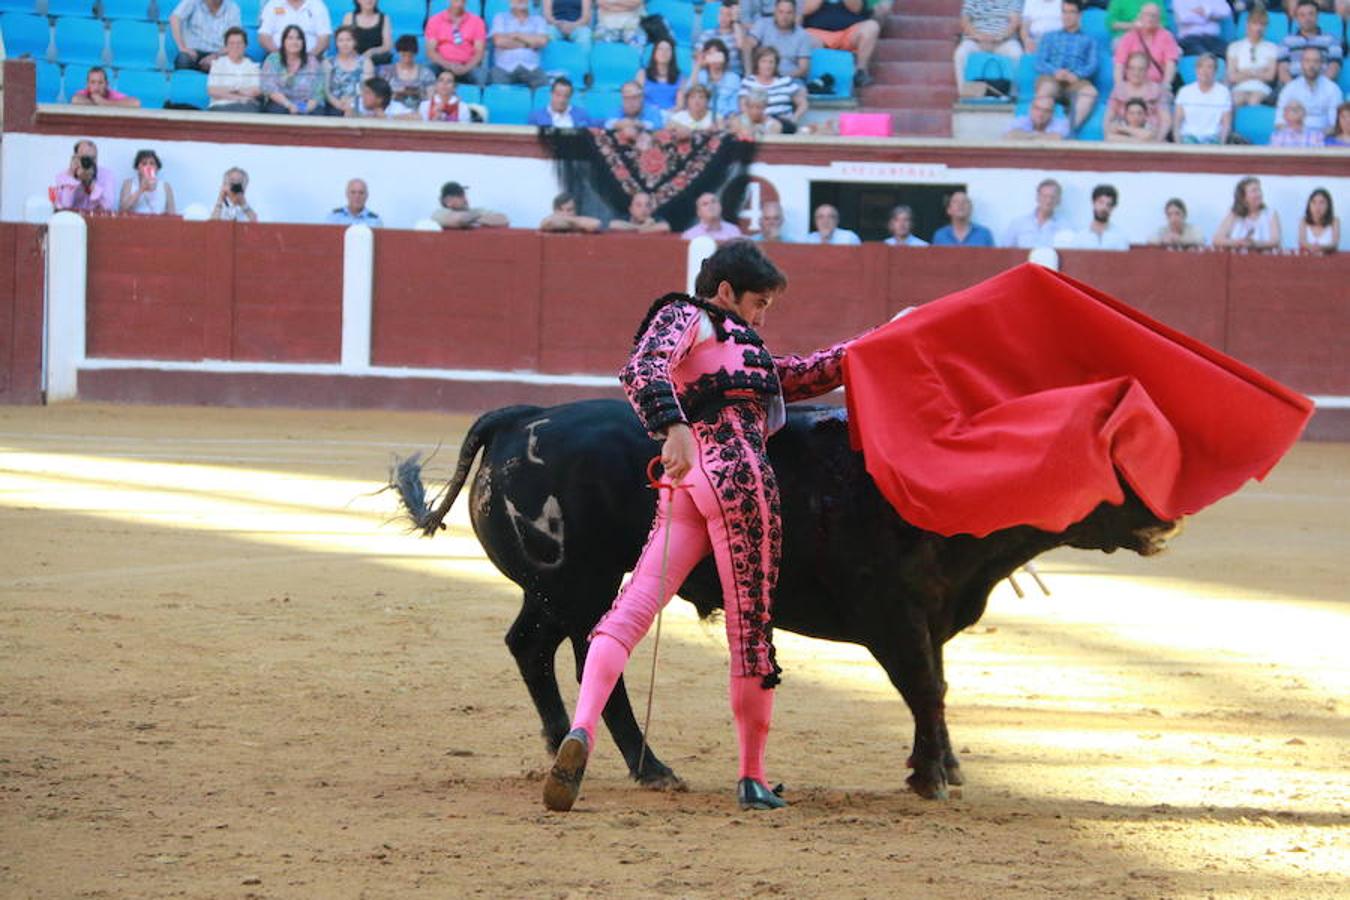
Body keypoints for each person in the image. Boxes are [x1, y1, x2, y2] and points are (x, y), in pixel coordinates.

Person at [541, 240, 871, 814]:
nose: (762, 316)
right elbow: (642, 369)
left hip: (689, 485)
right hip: (740, 480)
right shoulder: (687, 313)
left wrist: (873, 345)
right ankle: (751, 776)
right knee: (751, 629)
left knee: (632, 606)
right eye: (758, 302)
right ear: (724, 292)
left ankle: (584, 728)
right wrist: (672, 428)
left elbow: (798, 375)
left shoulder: (743, 346)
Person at [1033, 0, 1099, 129]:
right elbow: (1039, 62)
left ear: (1080, 15)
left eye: (1072, 12)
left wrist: (1077, 75)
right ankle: (1038, 129)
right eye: (1064, 12)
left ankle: (1066, 130)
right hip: (1052, 78)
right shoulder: (1049, 37)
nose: (1067, 16)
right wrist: (1054, 72)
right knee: (1045, 89)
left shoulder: (1089, 39)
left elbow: (1093, 64)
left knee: (1090, 93)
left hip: (1076, 81)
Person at [801, 0, 882, 87]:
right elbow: (805, 9)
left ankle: (860, 72)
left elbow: (856, 8)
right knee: (803, 37)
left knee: (871, 26)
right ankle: (809, 76)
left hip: (848, 33)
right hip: (817, 33)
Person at [954, 0, 1022, 99]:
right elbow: (965, 21)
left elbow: (1015, 22)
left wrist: (1000, 37)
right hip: (976, 41)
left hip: (1002, 41)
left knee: (1017, 54)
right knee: (960, 54)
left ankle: (1013, 94)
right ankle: (965, 93)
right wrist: (977, 36)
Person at [739, 47, 808, 131]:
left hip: (783, 122)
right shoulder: (748, 82)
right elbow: (743, 107)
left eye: (771, 62)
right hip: (757, 122)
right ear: (757, 63)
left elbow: (803, 104)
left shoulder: (785, 81)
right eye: (763, 61)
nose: (767, 66)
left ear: (776, 65)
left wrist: (794, 118)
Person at [1276, 49, 1344, 133]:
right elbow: (1279, 123)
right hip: (1294, 140)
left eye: (1316, 61)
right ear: (1301, 64)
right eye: (1307, 61)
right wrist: (1297, 137)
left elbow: (1335, 124)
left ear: (1322, 64)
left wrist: (1315, 137)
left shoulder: (1333, 89)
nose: (1311, 65)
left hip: (1324, 139)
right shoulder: (1289, 89)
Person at [262, 25, 327, 113]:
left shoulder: (312, 62)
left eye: (298, 38)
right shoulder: (273, 59)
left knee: (316, 113)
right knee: (277, 111)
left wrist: (304, 109)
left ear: (303, 42)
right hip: (281, 102)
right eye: (290, 38)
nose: (294, 42)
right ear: (283, 41)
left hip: (305, 104)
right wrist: (288, 104)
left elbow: (318, 92)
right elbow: (269, 87)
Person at [1111, 3, 1178, 88]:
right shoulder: (1128, 37)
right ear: (1140, 16)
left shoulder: (1166, 36)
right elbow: (1119, 64)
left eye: (1154, 16)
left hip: (1157, 86)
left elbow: (1170, 63)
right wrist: (1119, 86)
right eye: (1147, 15)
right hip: (1132, 86)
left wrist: (1166, 84)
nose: (1150, 18)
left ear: (1159, 19)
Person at [1107, 51, 1171, 139]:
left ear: (1147, 70)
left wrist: (1157, 142)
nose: (1136, 73)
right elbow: (1108, 117)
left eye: (1140, 69)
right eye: (1132, 68)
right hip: (1123, 133)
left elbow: (1165, 120)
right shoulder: (1119, 89)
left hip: (1149, 134)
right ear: (1126, 70)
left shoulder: (1157, 90)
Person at [1277, 0, 1343, 85]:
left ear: (1318, 15)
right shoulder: (1286, 41)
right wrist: (1295, 88)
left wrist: (1317, 87)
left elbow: (1334, 67)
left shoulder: (1332, 40)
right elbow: (1283, 70)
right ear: (1296, 18)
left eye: (1311, 14)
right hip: (1293, 86)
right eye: (1302, 15)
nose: (1307, 18)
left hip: (1322, 86)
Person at [745, 0, 813, 80]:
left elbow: (803, 68)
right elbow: (747, 45)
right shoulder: (762, 24)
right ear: (775, 12)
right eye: (781, 12)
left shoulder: (803, 35)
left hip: (790, 79)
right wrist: (749, 72)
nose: (784, 16)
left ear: (795, 14)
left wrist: (781, 79)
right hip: (763, 77)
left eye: (789, 13)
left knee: (801, 92)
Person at [425, 0, 488, 86]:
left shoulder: (477, 22)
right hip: (442, 64)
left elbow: (479, 52)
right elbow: (431, 51)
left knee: (480, 75)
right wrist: (448, 65)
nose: (459, 3)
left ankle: (476, 98)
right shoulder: (435, 20)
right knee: (426, 72)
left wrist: (465, 68)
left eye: (462, 1)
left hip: (467, 66)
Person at [490, 0, 551, 88]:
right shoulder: (500, 18)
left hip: (531, 67)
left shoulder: (539, 20)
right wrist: (528, 44)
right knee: (496, 90)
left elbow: (542, 41)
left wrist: (517, 35)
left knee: (545, 90)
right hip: (504, 67)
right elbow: (499, 42)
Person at [1173, 53, 1232, 144]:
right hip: (1188, 138)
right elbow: (1177, 122)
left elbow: (1226, 124)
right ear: (1196, 70)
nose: (1205, 71)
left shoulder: (1223, 92)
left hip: (1212, 138)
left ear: (1215, 71)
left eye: (1209, 67)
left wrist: (1221, 145)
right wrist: (1178, 145)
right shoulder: (1184, 92)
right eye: (1201, 66)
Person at [1227, 8, 1279, 107]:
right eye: (1255, 23)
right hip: (1239, 87)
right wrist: (1258, 72)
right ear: (1248, 25)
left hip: (1262, 87)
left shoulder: (1272, 47)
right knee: (1236, 100)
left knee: (1254, 100)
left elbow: (1270, 76)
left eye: (1262, 24)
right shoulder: (1234, 47)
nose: (1259, 28)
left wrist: (1246, 72)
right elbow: (1232, 77)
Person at [679, 38, 741, 122]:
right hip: (702, 116)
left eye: (718, 54)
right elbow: (689, 92)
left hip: (725, 119)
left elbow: (734, 106)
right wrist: (698, 65)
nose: (715, 58)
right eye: (710, 54)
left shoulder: (733, 78)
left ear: (724, 56)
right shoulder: (701, 75)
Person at [170, 0, 241, 73]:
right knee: (183, 60)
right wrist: (182, 47)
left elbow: (235, 38)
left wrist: (216, 56)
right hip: (195, 53)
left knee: (241, 61)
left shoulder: (232, 7)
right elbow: (175, 18)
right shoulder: (192, 2)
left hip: (219, 53)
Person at [1213, 176, 1282, 251]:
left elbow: (1276, 241)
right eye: (1254, 191)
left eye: (1259, 190)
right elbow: (1217, 239)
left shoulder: (1270, 214)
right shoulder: (1234, 214)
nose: (1259, 194)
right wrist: (1239, 243)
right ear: (1243, 196)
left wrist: (1255, 244)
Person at [52, 139, 118, 213]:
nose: (90, 162)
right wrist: (73, 179)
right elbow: (65, 206)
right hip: (73, 221)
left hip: (96, 220)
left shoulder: (106, 175)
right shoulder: (63, 177)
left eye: (93, 158)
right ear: (76, 158)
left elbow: (108, 206)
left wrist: (90, 183)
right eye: (86, 158)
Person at [208, 27, 263, 111]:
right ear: (226, 47)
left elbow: (255, 91)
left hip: (246, 107)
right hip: (220, 106)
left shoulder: (253, 66)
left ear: (245, 45)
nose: (235, 47)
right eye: (231, 43)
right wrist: (239, 96)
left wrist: (227, 90)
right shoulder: (218, 64)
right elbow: (213, 91)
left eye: (239, 43)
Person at [325, 25, 375, 115]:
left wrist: (352, 102)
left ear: (355, 42)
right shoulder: (328, 63)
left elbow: (367, 89)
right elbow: (326, 90)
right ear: (336, 43)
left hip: (359, 104)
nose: (345, 44)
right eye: (341, 40)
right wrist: (338, 104)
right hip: (334, 106)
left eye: (348, 40)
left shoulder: (365, 62)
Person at [380, 35, 436, 116]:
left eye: (410, 56)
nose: (406, 59)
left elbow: (431, 98)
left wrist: (418, 94)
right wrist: (396, 93)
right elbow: (381, 95)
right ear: (398, 52)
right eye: (403, 55)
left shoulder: (426, 73)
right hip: (393, 111)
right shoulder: (386, 72)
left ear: (415, 54)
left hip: (418, 112)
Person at [1003, 178, 1066, 248]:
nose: (1048, 201)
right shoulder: (1018, 223)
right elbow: (1006, 252)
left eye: (1052, 197)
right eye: (1044, 196)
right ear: (1037, 197)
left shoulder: (1065, 227)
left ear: (1059, 200)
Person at [258, 0, 332, 58]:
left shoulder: (317, 5)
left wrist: (310, 58)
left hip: (313, 58)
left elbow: (324, 38)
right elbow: (264, 36)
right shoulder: (273, 4)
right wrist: (279, 56)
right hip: (278, 58)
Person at [1071, 184, 1129, 250]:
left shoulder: (1119, 237)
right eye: (1101, 202)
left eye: (1109, 204)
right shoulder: (1080, 237)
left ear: (1113, 208)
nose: (1104, 208)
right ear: (1093, 203)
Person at [695, 1, 747, 76]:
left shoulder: (737, 34)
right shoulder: (707, 34)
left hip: (731, 74)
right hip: (709, 72)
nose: (723, 17)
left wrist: (735, 21)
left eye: (728, 15)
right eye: (721, 13)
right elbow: (698, 56)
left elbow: (741, 45)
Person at [118, 149, 176, 216]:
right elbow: (122, 208)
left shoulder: (165, 186)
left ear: (157, 168)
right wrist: (141, 189)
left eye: (152, 163)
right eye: (144, 164)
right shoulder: (129, 183)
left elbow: (172, 213)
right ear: (138, 168)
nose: (148, 167)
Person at [431, 181, 509, 229]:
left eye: (464, 195)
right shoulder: (439, 213)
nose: (465, 199)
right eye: (460, 195)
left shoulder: (475, 212)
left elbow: (504, 219)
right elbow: (459, 220)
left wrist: (473, 218)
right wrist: (479, 216)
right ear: (447, 200)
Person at [638, 37, 683, 114]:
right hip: (647, 114)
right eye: (660, 49)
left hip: (670, 115)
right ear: (654, 53)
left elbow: (680, 105)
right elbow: (638, 99)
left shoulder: (680, 76)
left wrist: (667, 113)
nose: (664, 52)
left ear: (672, 54)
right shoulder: (642, 74)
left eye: (667, 50)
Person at [342, 0, 393, 65]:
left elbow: (387, 46)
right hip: (354, 61)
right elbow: (343, 41)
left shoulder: (384, 18)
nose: (369, 0)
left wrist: (371, 52)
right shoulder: (349, 17)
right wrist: (358, 58)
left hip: (378, 62)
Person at [1004, 92, 1071, 139]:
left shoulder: (1061, 123)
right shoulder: (1021, 120)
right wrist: (1041, 136)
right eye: (1037, 109)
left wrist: (1026, 136)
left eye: (1046, 111)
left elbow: (1057, 138)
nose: (1041, 114)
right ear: (1030, 109)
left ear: (1052, 113)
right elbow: (1010, 136)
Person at [69, 67, 141, 108]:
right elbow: (75, 100)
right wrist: (97, 104)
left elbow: (136, 102)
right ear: (87, 84)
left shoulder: (112, 94)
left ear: (107, 84)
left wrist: (104, 102)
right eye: (93, 82)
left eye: (100, 83)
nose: (96, 86)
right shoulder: (84, 93)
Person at [1297, 187, 1339, 253]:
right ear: (1309, 205)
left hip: (1329, 260)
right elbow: (1302, 241)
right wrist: (1312, 247)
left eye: (1322, 203)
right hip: (1308, 259)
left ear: (1328, 205)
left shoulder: (1334, 221)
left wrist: (1321, 248)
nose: (1317, 206)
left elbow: (1335, 244)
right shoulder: (1303, 221)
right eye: (1314, 202)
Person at [539, 192, 604, 232]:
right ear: (555, 211)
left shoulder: (580, 222)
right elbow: (547, 223)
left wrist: (569, 221)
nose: (565, 213)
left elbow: (596, 224)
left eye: (569, 210)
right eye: (560, 210)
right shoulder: (549, 221)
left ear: (575, 210)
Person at [1105, 0, 1170, 35]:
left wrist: (1149, 26)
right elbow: (1111, 23)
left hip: (1152, 36)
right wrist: (1133, 26)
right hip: (1125, 36)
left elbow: (1163, 23)